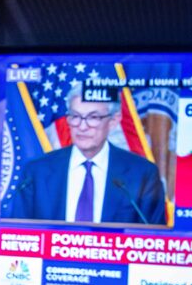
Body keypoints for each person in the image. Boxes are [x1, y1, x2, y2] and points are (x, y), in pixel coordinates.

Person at [9, 87, 166, 225]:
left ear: (113, 120)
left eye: (93, 117)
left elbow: (153, 237)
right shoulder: (36, 171)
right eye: (75, 116)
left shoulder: (143, 174)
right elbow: (18, 232)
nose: (82, 127)